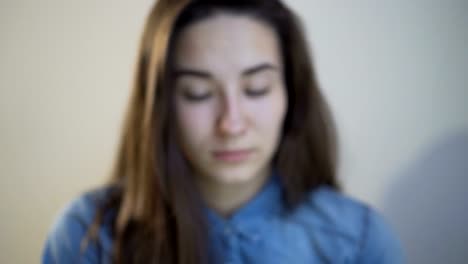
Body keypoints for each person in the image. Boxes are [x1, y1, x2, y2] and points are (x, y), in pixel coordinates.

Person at [42, 0, 403, 263]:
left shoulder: (359, 241)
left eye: (256, 88)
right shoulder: (86, 235)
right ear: (162, 104)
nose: (231, 124)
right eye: (197, 93)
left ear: (291, 93)